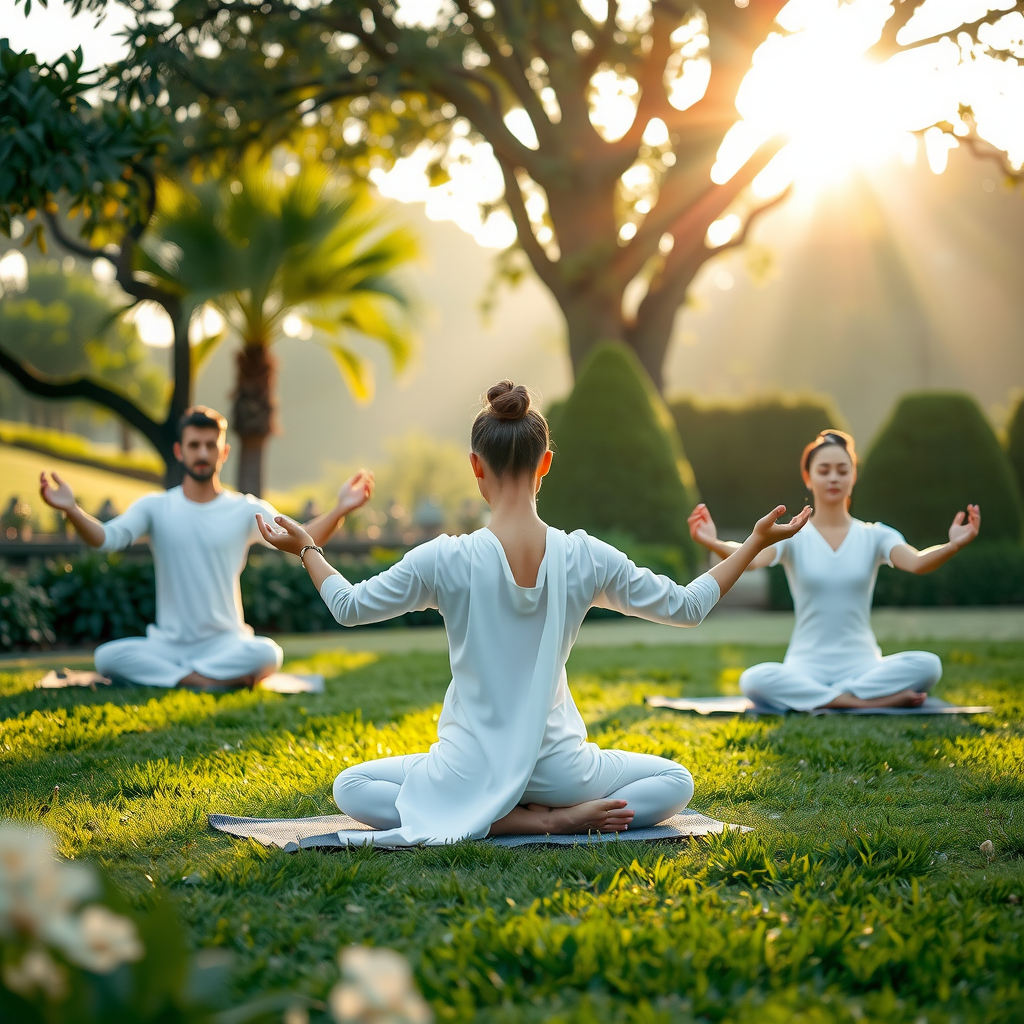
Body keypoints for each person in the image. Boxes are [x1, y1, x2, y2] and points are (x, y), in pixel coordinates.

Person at [255, 380, 811, 846]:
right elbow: (687, 607)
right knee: (675, 781)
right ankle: (557, 819)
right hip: (561, 770)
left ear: (475, 466)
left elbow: (348, 607)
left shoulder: (444, 558)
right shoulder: (585, 555)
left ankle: (507, 821)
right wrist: (754, 544)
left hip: (467, 767)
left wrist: (308, 548)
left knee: (352, 787)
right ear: (546, 463)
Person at [39, 406, 374, 691]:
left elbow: (303, 539)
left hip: (226, 644)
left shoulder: (245, 508)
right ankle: (204, 681)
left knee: (268, 653)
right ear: (179, 451)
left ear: (223, 452)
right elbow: (105, 539)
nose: (202, 454)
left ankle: (180, 678)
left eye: (210, 445)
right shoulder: (156, 506)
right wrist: (72, 510)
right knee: (107, 657)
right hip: (167, 646)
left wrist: (340, 509)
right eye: (194, 445)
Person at [687, 429, 981, 712]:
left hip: (864, 667)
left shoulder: (875, 535)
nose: (833, 478)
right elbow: (749, 559)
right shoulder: (793, 536)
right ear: (808, 477)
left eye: (842, 470)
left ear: (853, 476)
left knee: (929, 665)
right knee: (754, 680)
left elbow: (917, 562)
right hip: (804, 669)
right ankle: (862, 702)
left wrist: (953, 545)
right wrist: (713, 542)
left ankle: (826, 699)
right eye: (824, 470)